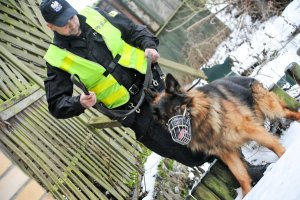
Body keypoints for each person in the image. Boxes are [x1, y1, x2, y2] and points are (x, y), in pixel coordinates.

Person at [40, 0, 268, 181]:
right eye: (64, 23)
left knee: (204, 128)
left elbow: (135, 31)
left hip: (156, 88)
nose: (72, 23)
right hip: (136, 114)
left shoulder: (95, 14)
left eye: (70, 16)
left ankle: (245, 172)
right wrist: (79, 102)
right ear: (51, 27)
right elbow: (56, 104)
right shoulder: (56, 58)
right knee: (187, 153)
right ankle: (234, 172)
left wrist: (149, 45)